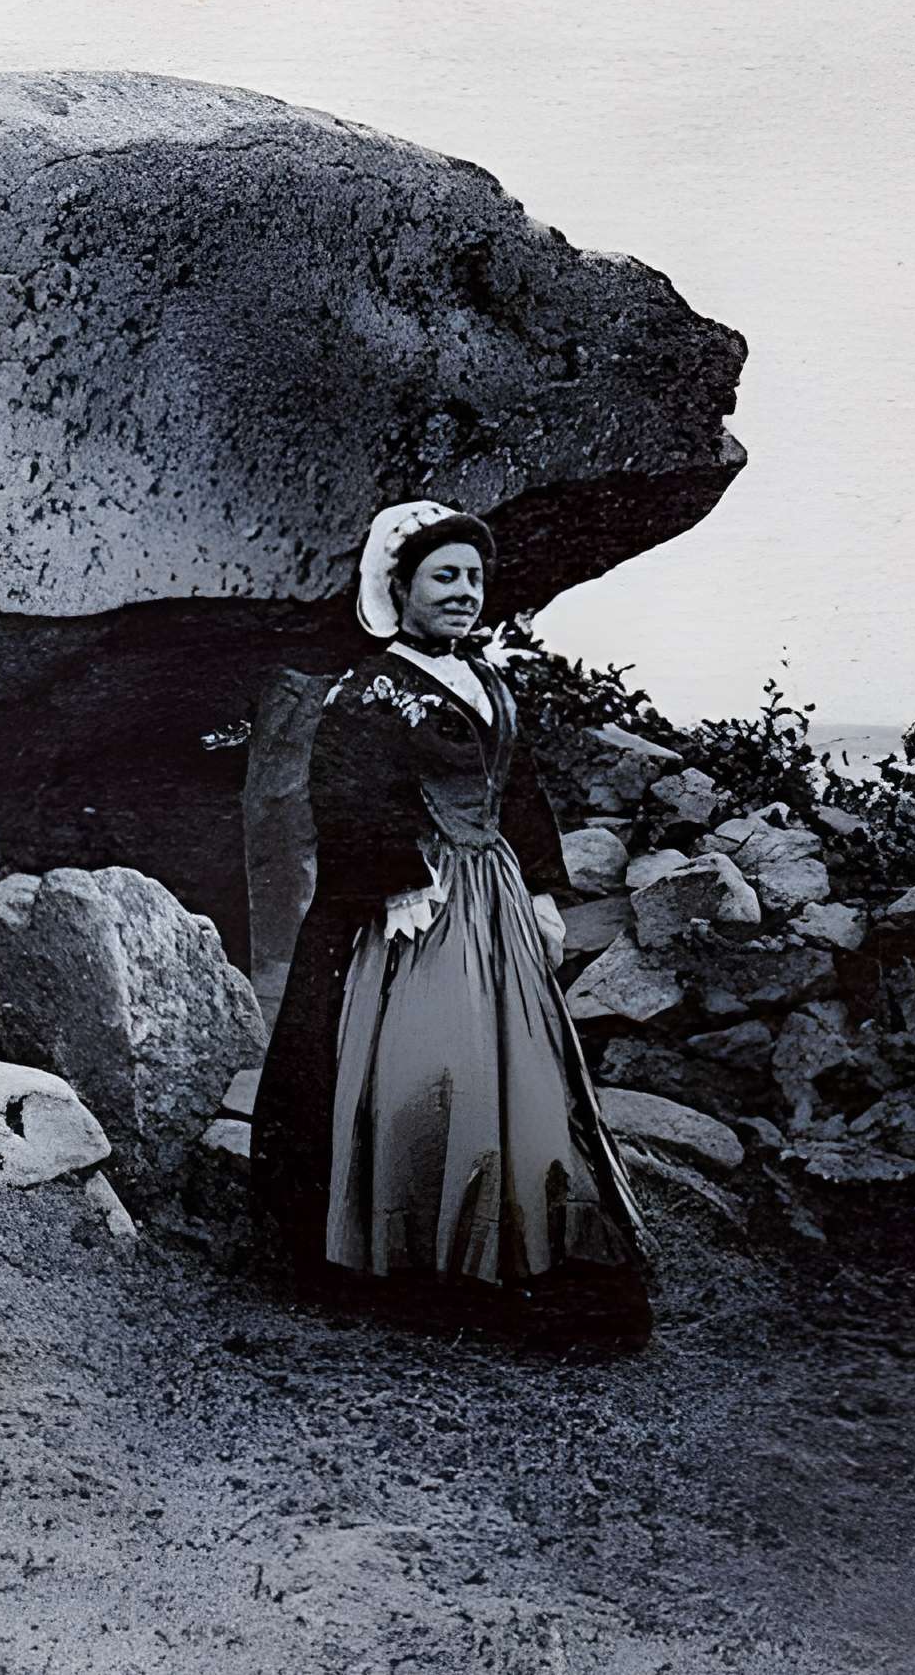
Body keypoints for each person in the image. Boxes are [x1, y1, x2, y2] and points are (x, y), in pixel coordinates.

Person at [247, 500, 654, 1348]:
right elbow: (345, 795)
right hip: (412, 902)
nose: (466, 592)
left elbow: (521, 791)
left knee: (512, 1072)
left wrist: (542, 889)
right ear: (401, 587)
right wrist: (396, 881)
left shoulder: (490, 681)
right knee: (424, 1066)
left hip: (491, 896)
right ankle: (408, 1250)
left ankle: (510, 1245)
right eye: (446, 577)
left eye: (474, 578)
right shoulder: (369, 689)